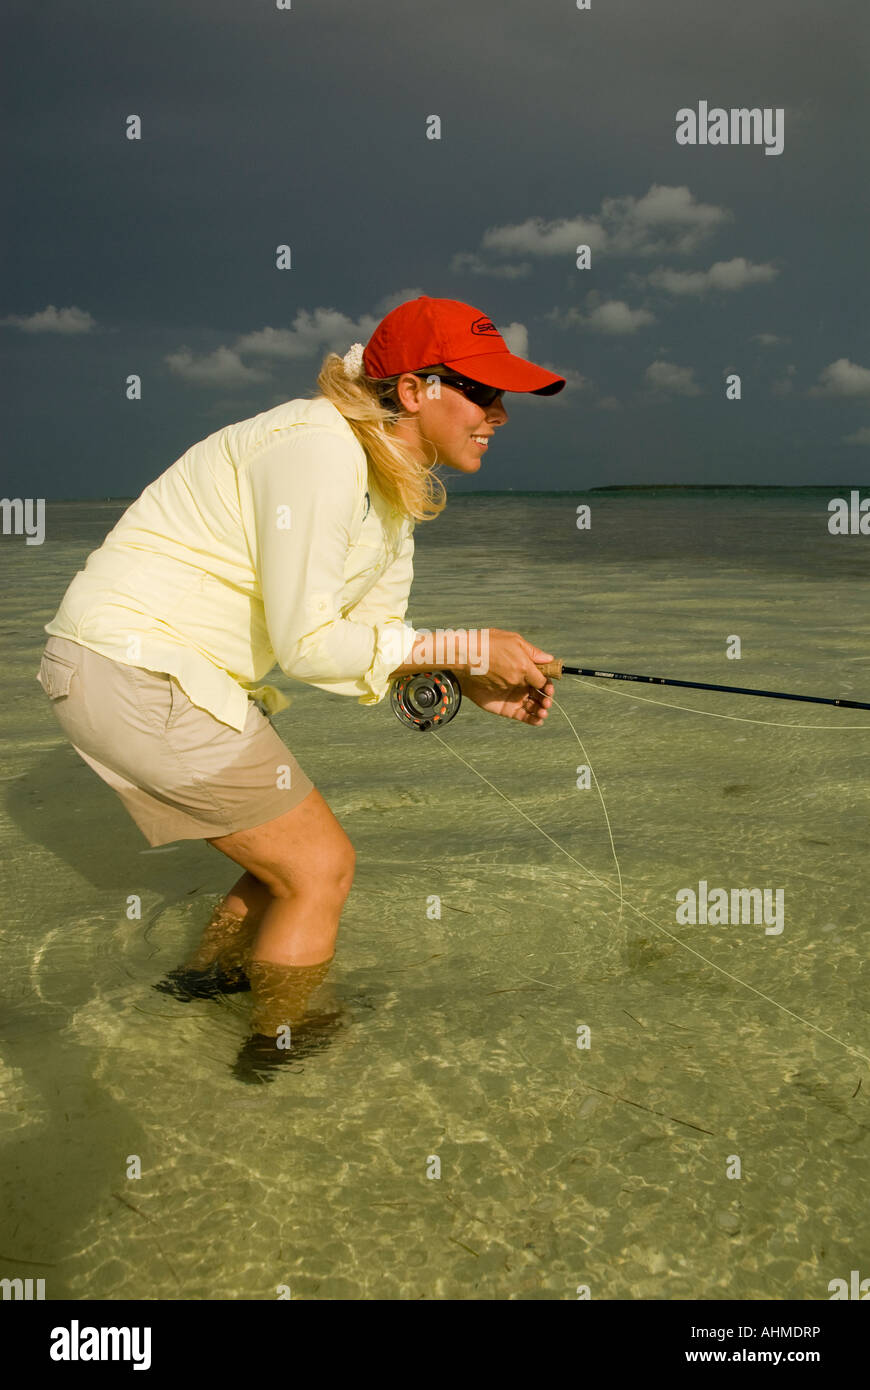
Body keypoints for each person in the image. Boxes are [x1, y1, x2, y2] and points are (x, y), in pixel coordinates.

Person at [36, 294, 566, 1078]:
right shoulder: (320, 451)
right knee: (321, 867)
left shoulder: (392, 480)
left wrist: (461, 673)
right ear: (416, 391)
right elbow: (310, 644)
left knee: (280, 857)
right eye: (485, 392)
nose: (500, 414)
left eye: (503, 397)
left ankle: (203, 982)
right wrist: (467, 643)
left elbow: (374, 635)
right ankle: (277, 1043)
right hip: (136, 667)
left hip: (152, 672)